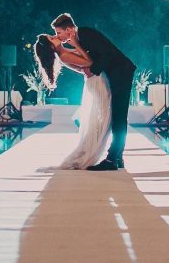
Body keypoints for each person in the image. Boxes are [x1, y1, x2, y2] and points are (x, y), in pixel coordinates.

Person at [51, 13, 136, 171]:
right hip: (115, 73)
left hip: (121, 72)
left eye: (58, 32)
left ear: (69, 29)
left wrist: (93, 70)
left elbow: (106, 53)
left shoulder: (85, 33)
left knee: (118, 116)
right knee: (117, 116)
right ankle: (117, 157)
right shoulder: (80, 38)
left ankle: (112, 159)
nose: (58, 36)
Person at [34, 34, 112, 169]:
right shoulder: (64, 55)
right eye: (52, 38)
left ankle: (93, 150)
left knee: (102, 117)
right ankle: (89, 153)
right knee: (102, 117)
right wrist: (76, 44)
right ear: (52, 46)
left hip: (95, 80)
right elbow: (89, 63)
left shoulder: (64, 52)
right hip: (96, 82)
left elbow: (82, 65)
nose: (55, 36)